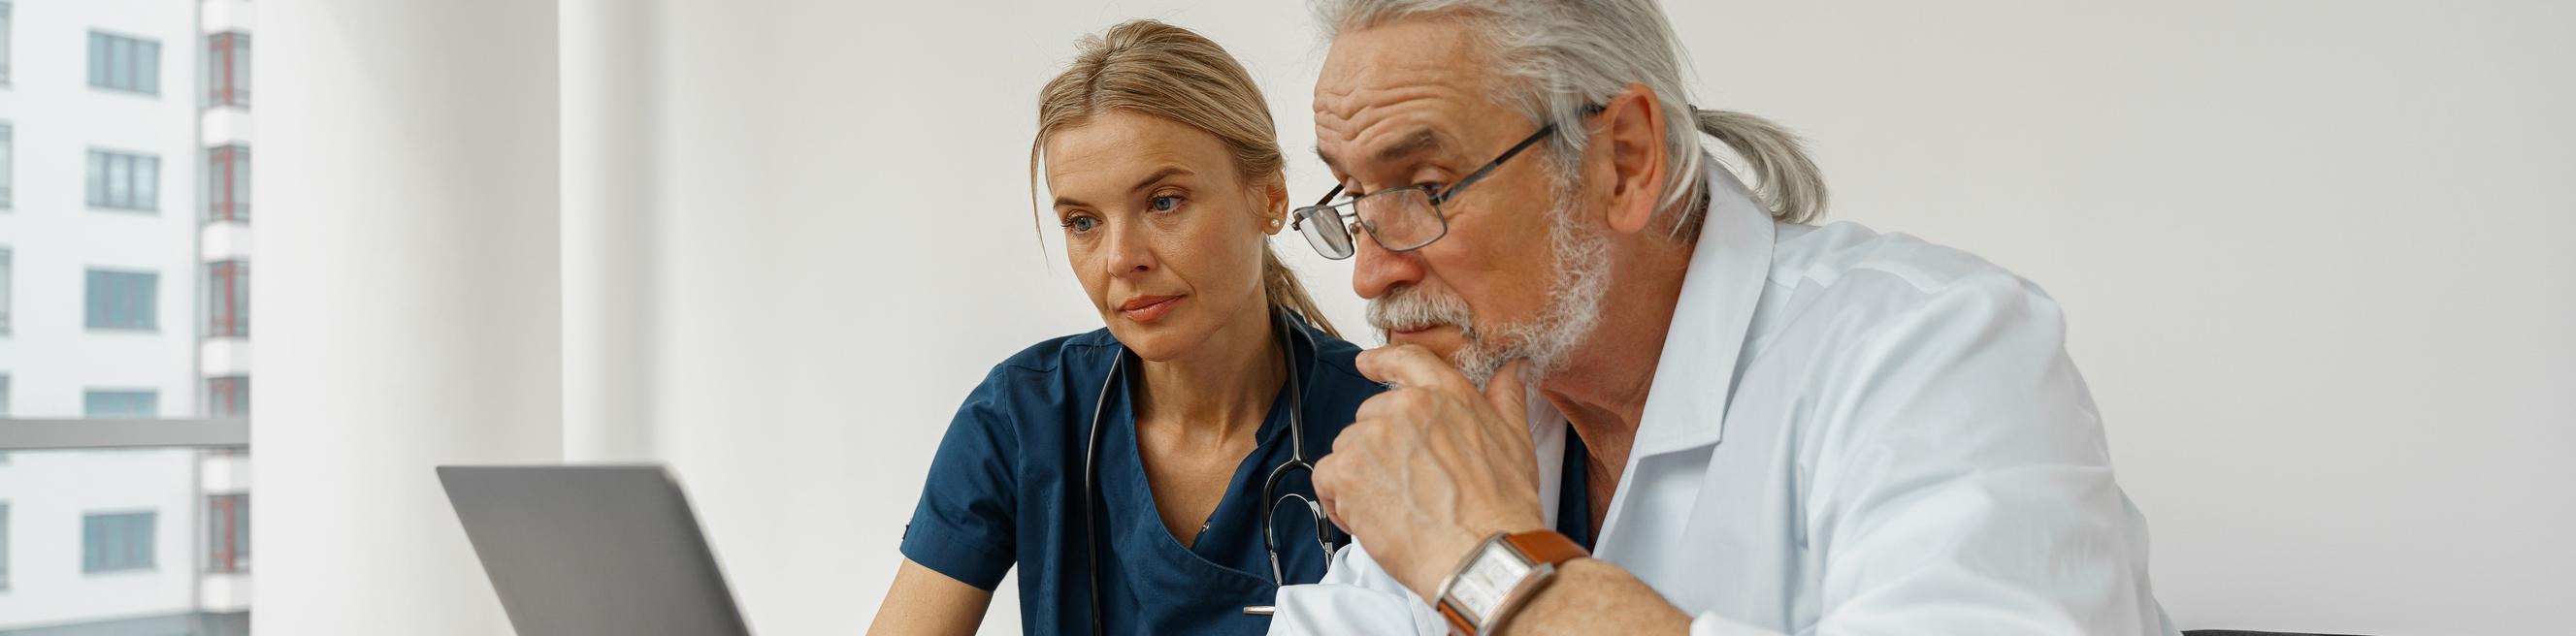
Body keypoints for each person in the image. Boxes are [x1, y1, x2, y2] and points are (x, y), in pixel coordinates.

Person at [1267, 1, 2181, 634]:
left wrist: (1485, 562)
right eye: (1354, 200)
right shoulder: (1489, 399)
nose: (1372, 274)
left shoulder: (1934, 352)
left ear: (1622, 160)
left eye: (1424, 190)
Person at [865, 19, 1382, 636]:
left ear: (1270, 197)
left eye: (1164, 202)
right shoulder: (1023, 415)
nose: (1120, 259)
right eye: (1083, 222)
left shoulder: (1380, 424)